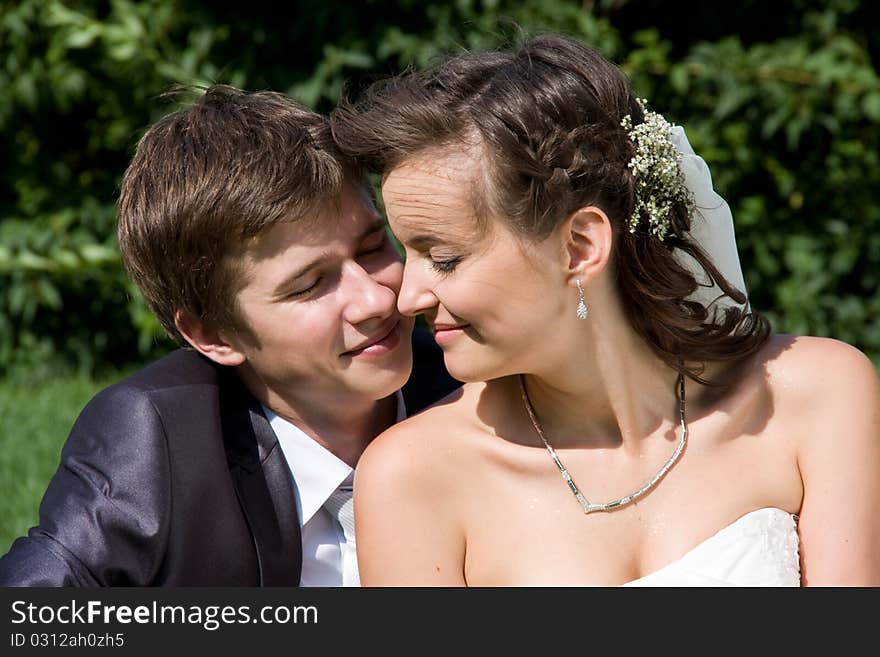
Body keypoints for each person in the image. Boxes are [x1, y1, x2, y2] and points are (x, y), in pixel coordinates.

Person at [330, 33, 880, 586]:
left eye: (444, 258)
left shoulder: (817, 394)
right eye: (408, 254)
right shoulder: (414, 479)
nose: (407, 298)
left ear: (580, 247)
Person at [0, 84, 460, 586]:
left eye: (373, 248)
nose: (375, 300)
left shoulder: (472, 386)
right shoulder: (157, 439)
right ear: (212, 334)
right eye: (310, 284)